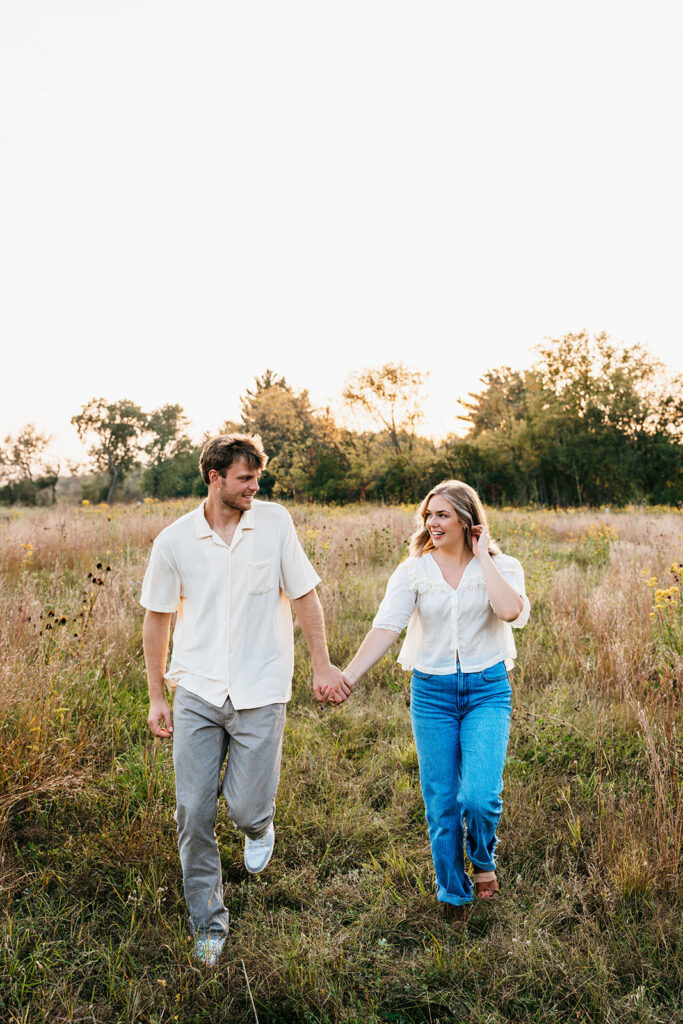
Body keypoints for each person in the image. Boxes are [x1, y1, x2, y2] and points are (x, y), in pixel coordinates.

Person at [141, 433, 349, 965]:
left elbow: (304, 594)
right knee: (192, 811)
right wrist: (157, 695)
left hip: (261, 688)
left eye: (257, 477)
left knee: (246, 808)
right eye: (245, 478)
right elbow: (157, 618)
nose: (255, 486)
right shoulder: (173, 541)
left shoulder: (275, 523)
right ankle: (208, 923)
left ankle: (259, 825)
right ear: (214, 478)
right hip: (197, 689)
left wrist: (322, 664)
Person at [341, 480, 530, 920]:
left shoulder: (504, 566)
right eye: (428, 515)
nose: (432, 522)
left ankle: (482, 858)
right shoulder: (414, 571)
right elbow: (387, 627)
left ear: (467, 519)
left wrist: (483, 556)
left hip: (488, 689)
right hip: (432, 694)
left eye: (442, 514)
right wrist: (348, 676)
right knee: (441, 800)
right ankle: (452, 892)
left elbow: (510, 612)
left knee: (480, 797)